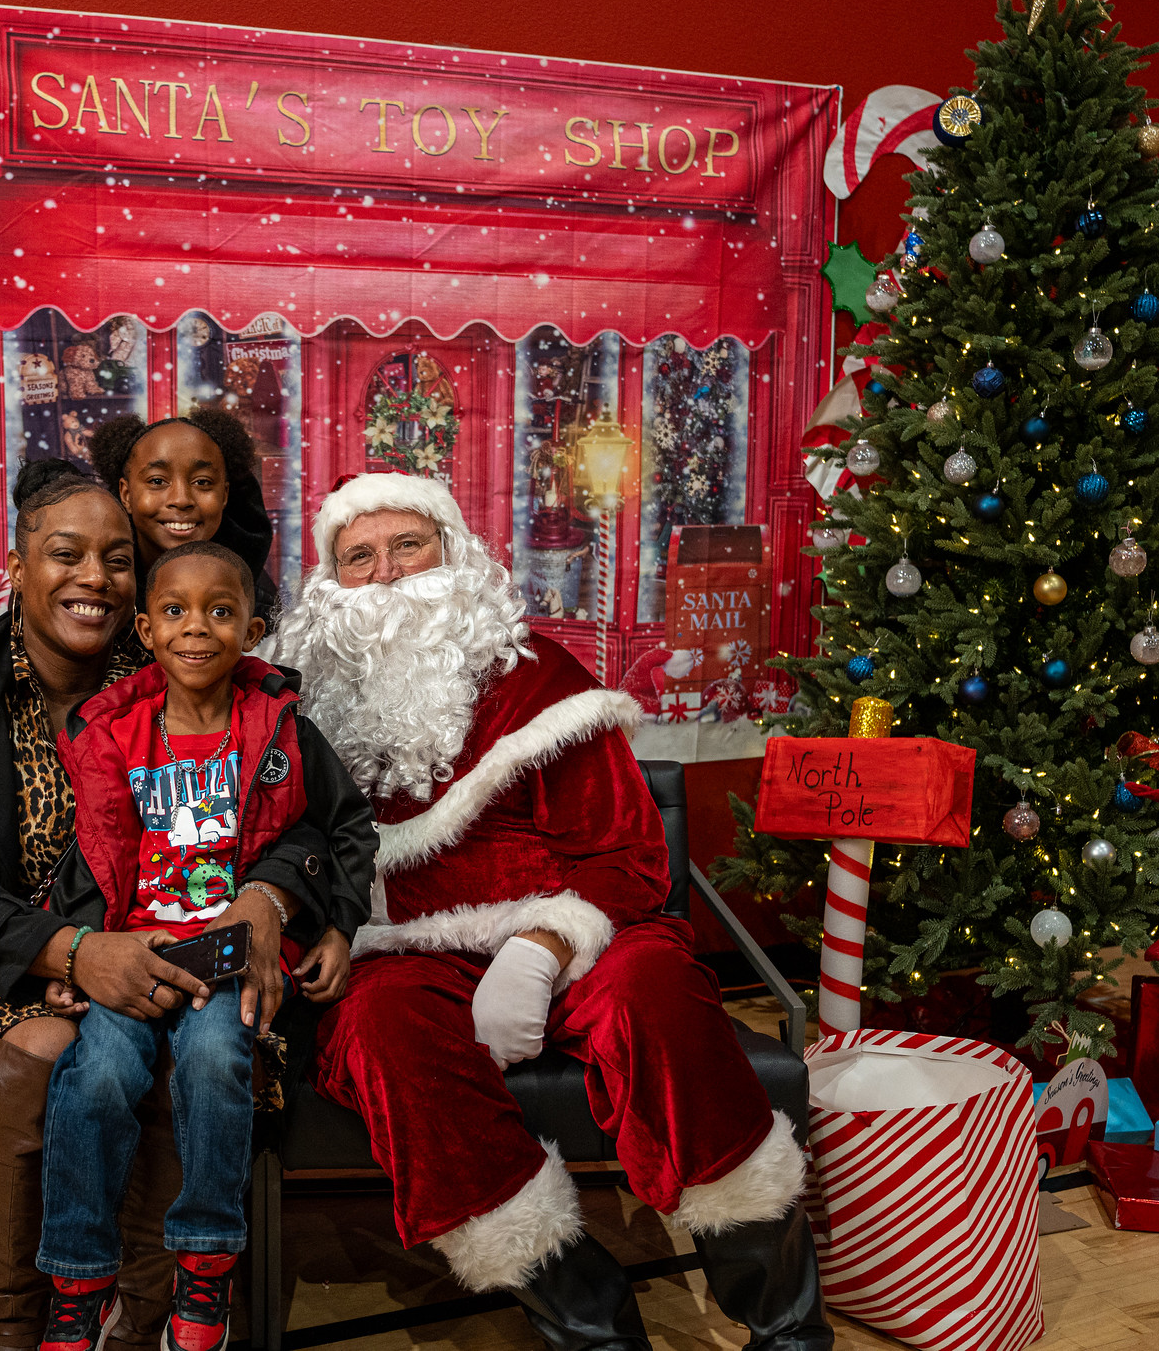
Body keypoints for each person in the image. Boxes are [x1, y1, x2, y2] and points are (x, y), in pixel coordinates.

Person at [0, 461, 342, 1351]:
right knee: (42, 1058)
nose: (95, 578)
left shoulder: (180, 670)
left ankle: (152, 1316)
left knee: (176, 1036)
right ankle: (24, 1321)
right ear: (15, 566)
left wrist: (268, 894)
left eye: (117, 560)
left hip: (167, 947)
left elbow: (289, 802)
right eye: (65, 554)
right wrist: (69, 953)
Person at [272, 472, 830, 1351]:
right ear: (329, 584)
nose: (383, 574)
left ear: (453, 553)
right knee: (380, 1029)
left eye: (406, 545)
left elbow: (628, 858)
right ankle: (588, 1320)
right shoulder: (304, 707)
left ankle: (782, 1317)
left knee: (651, 992)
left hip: (577, 926)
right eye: (358, 556)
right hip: (402, 951)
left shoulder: (539, 680)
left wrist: (539, 946)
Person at [30, 541, 376, 1351]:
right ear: (146, 629)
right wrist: (72, 952)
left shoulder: (280, 726)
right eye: (176, 612)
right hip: (135, 952)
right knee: (97, 1074)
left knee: (221, 1063)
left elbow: (345, 823)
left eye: (221, 612)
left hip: (230, 965)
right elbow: (82, 852)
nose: (198, 629)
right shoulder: (110, 731)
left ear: (251, 628)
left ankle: (205, 1267)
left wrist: (340, 924)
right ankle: (81, 1281)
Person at [88, 409, 282, 625]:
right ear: (126, 495)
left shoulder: (256, 597)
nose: (181, 500)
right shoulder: (95, 585)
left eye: (202, 482)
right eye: (157, 481)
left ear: (224, 495)